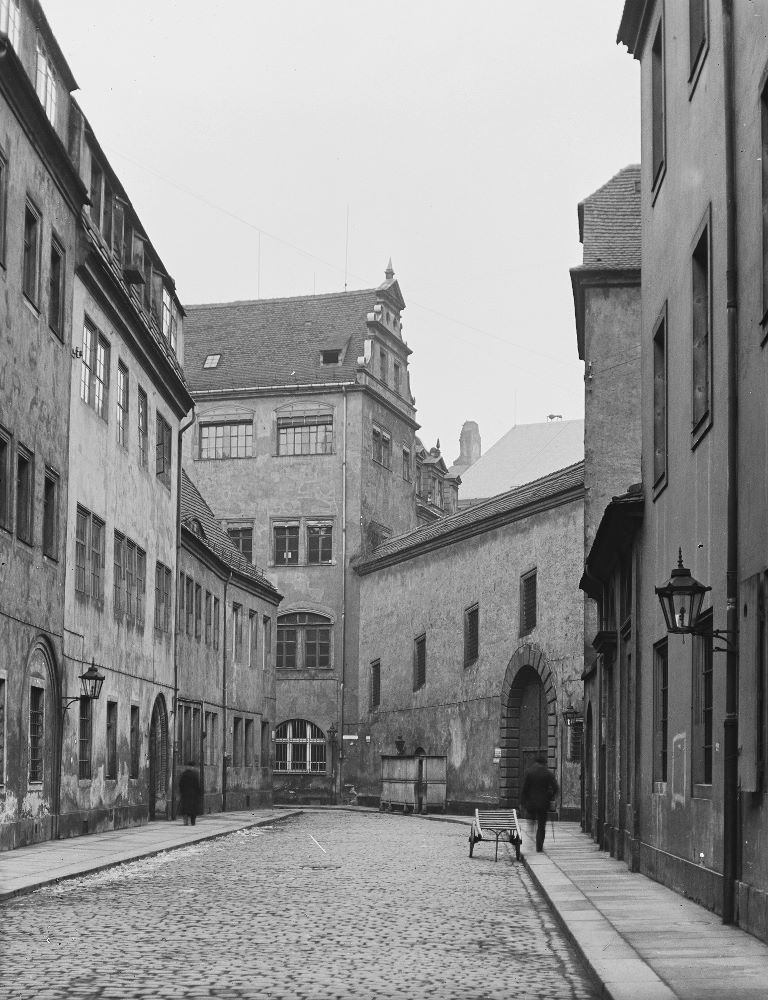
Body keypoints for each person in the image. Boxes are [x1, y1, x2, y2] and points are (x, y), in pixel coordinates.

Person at [520, 754, 558, 852]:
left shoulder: (529, 772)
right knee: (541, 826)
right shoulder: (548, 773)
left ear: (535, 762)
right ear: (544, 763)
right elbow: (555, 788)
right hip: (543, 803)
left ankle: (529, 843)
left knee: (531, 823)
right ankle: (539, 846)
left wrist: (523, 802)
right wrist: (549, 796)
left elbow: (524, 789)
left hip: (531, 803)